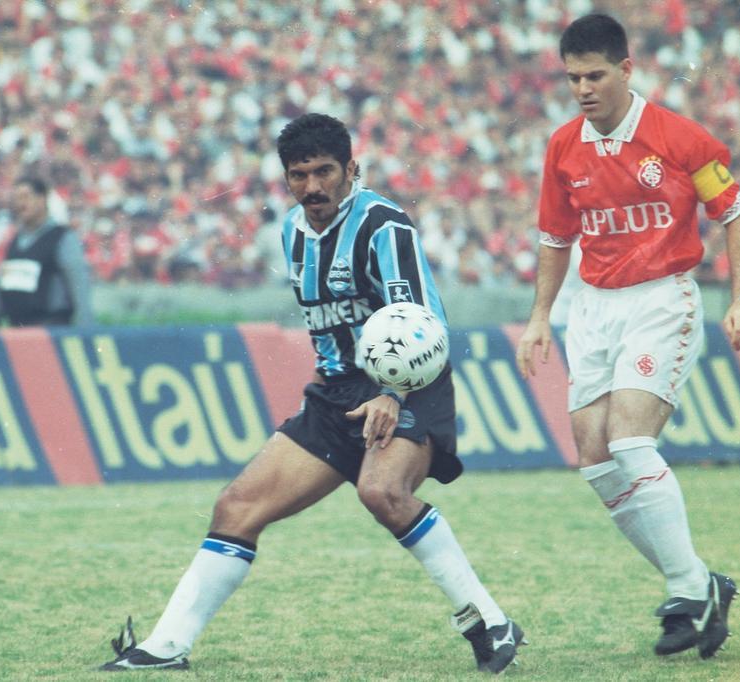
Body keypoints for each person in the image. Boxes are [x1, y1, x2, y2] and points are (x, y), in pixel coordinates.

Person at [99, 113, 525, 674]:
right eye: (299, 175)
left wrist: (393, 393)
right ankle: (166, 647)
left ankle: (490, 621)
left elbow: (421, 320)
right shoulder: (292, 231)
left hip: (411, 382)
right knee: (235, 507)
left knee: (381, 492)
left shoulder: (383, 226)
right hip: (337, 394)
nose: (313, 187)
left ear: (352, 168)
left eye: (324, 171)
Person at [515, 14, 740, 660]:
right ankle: (703, 585)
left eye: (595, 75)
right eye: (573, 77)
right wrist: (541, 314)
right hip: (591, 306)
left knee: (629, 437)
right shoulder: (563, 147)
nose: (583, 88)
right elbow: (553, 238)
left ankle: (687, 590)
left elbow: (736, 218)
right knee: (594, 458)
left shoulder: (678, 138)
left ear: (626, 70)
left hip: (662, 298)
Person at [0, 175, 93, 328]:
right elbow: (1, 283)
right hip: (17, 331)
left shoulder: (63, 238)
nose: (20, 204)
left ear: (42, 199)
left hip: (51, 330)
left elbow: (78, 284)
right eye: (16, 199)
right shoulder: (13, 241)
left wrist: (86, 329)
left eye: (25, 197)